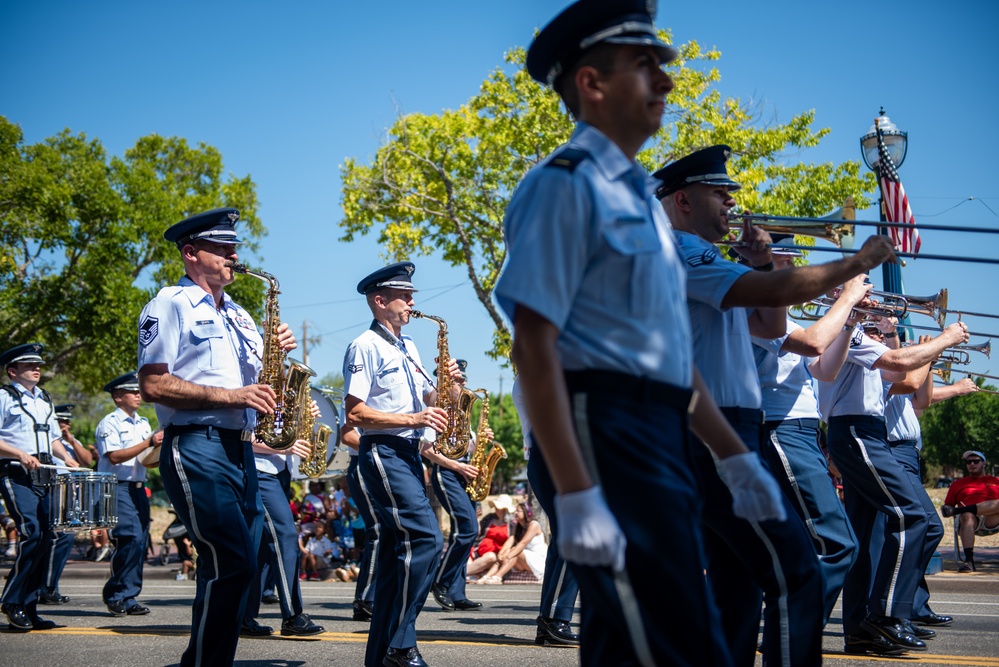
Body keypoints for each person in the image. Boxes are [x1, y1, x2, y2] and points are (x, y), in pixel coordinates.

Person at [495, 5, 789, 664]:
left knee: (628, 646)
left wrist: (732, 456)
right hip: (599, 430)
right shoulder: (561, 187)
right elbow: (532, 347)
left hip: (658, 434)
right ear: (592, 85)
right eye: (643, 65)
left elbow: (667, 355)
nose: (665, 81)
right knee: (681, 645)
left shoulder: (639, 203)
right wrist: (575, 491)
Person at [655, 144, 899, 666]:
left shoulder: (702, 257)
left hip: (727, 430)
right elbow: (787, 318)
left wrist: (764, 261)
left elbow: (768, 324)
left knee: (738, 584)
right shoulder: (682, 251)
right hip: (716, 434)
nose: (729, 204)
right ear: (681, 201)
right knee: (798, 574)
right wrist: (851, 267)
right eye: (718, 194)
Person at [137, 207, 299, 667]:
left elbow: (262, 388)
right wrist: (232, 396)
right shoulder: (169, 303)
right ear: (191, 253)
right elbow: (152, 384)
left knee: (235, 567)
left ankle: (207, 661)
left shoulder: (244, 317)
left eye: (234, 247)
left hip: (241, 449)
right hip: (196, 444)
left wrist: (279, 358)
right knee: (233, 562)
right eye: (222, 248)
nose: (233, 254)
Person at [816, 307, 969, 655]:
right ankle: (886, 614)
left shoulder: (861, 342)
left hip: (864, 433)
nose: (874, 303)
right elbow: (901, 364)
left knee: (867, 537)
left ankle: (859, 631)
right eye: (865, 295)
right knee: (913, 516)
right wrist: (945, 339)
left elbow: (903, 378)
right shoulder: (849, 334)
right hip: (857, 432)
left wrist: (890, 333)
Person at [342, 260, 462, 667]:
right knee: (427, 539)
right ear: (380, 300)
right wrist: (414, 419)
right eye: (404, 295)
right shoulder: (364, 345)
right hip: (383, 451)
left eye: (411, 294)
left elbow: (428, 400)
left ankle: (380, 656)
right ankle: (400, 642)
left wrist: (449, 388)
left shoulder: (408, 346)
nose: (413, 301)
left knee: (399, 555)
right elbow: (355, 414)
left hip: (409, 454)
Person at [749, 241, 872, 624]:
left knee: (804, 543)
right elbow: (815, 342)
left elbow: (824, 370)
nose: (797, 267)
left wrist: (849, 322)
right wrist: (847, 298)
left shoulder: (786, 316)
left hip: (800, 429)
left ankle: (784, 632)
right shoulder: (756, 308)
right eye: (785, 260)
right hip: (781, 428)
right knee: (837, 541)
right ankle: (792, 632)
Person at [0, 343, 81, 631]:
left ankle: (29, 606)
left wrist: (68, 458)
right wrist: (18, 453)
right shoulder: (3, 397)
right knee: (32, 532)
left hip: (44, 472)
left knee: (47, 537)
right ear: (13, 371)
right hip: (15, 472)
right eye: (28, 365)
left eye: (38, 365)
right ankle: (11, 602)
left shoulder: (44, 398)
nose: (37, 369)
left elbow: (52, 439)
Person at [240, 420, 324, 637]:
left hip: (281, 470)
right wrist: (285, 447)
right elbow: (244, 435)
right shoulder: (251, 387)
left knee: (261, 547)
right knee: (286, 536)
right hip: (259, 470)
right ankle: (293, 616)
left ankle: (243, 616)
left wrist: (303, 415)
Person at [513, 377, 580, 646]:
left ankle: (550, 621)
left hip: (550, 456)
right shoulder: (538, 371)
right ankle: (555, 620)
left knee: (566, 538)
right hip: (553, 454)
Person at [93, 372, 160, 617]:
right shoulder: (109, 423)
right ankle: (116, 593)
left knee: (140, 541)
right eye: (132, 392)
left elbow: (146, 458)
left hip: (138, 487)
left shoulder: (142, 422)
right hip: (117, 485)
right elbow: (114, 456)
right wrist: (148, 442)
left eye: (138, 391)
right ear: (117, 397)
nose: (138, 395)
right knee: (129, 537)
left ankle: (129, 596)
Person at [426, 359, 484, 612]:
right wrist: (459, 467)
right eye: (458, 380)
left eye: (463, 380)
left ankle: (457, 593)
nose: (462, 384)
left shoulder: (463, 413)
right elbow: (427, 449)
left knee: (470, 530)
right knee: (467, 529)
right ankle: (440, 581)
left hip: (464, 473)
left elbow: (467, 448)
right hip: (447, 472)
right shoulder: (436, 407)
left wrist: (480, 439)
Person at [38, 403, 94, 605]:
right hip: (53, 489)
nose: (65, 425)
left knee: (64, 539)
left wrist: (71, 440)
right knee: (56, 538)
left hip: (69, 493)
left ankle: (50, 585)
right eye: (61, 421)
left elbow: (87, 460)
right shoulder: (45, 440)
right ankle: (46, 587)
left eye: (68, 422)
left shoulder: (70, 442)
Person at [341, 423, 376, 621]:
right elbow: (346, 435)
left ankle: (369, 598)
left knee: (387, 531)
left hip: (379, 461)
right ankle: (365, 598)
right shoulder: (356, 393)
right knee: (378, 530)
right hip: (364, 461)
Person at [942, 450, 999, 572]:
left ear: (984, 464)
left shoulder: (996, 482)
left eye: (976, 461)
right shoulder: (958, 484)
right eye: (969, 462)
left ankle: (966, 509)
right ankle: (969, 561)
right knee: (967, 515)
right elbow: (948, 509)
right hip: (971, 520)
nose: (972, 464)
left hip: (993, 519)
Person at [475, 501, 547, 584]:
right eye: (515, 511)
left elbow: (523, 543)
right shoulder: (517, 527)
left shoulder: (534, 525)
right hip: (525, 560)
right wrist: (501, 554)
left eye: (518, 511)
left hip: (538, 559)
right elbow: (510, 540)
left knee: (514, 551)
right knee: (506, 552)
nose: (515, 513)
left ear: (526, 512)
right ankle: (487, 576)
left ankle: (497, 577)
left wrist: (509, 556)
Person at [465, 494, 512, 579]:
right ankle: (469, 574)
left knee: (490, 557)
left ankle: (460, 574)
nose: (496, 508)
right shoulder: (490, 518)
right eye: (496, 506)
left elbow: (511, 541)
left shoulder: (511, 524)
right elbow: (477, 533)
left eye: (499, 507)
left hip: (496, 554)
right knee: (463, 549)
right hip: (478, 550)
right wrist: (476, 518)